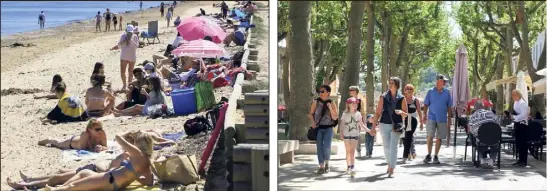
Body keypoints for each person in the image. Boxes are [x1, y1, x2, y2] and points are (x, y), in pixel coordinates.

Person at [44, 132, 156, 190]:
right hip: (114, 182)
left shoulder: (137, 153)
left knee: (72, 187)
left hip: (109, 179)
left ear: (139, 144)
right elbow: (149, 181)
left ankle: (57, 189)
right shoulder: (147, 161)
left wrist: (126, 133)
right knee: (83, 173)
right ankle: (59, 188)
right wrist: (133, 177)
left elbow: (118, 137)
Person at [372, 77, 408, 177]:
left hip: (397, 124)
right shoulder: (383, 97)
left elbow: (406, 114)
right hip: (384, 123)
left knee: (394, 147)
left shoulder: (402, 98)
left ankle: (392, 168)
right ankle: (389, 164)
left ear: (397, 85)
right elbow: (378, 112)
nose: (390, 85)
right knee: (387, 147)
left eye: (392, 83)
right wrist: (373, 127)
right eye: (390, 83)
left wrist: (401, 112)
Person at [422, 74, 453, 164]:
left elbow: (449, 106)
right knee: (430, 136)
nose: (445, 82)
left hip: (442, 118)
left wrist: (449, 119)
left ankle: (436, 156)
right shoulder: (430, 91)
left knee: (439, 138)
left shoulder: (447, 92)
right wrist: (424, 115)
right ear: (438, 81)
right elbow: (426, 104)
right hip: (431, 117)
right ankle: (429, 154)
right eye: (444, 81)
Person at [308, 85, 339, 174]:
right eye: (320, 91)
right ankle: (321, 166)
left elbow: (335, 117)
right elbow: (310, 114)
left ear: (328, 93)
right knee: (319, 147)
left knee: (327, 147)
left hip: (328, 128)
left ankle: (327, 164)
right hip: (318, 128)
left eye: (323, 91)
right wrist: (313, 122)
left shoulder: (332, 102)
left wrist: (330, 108)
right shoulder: (316, 102)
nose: (320, 93)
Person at [340, 97, 373, 177]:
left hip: (355, 134)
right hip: (346, 134)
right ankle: (348, 166)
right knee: (348, 151)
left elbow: (362, 125)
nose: (355, 105)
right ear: (348, 104)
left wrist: (369, 130)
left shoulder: (358, 114)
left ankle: (352, 167)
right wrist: (341, 133)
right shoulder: (345, 114)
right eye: (353, 103)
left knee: (352, 151)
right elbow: (342, 124)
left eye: (356, 103)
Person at [38, 118, 107, 152]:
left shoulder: (102, 133)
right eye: (97, 129)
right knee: (58, 143)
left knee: (58, 144)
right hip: (70, 143)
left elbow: (106, 147)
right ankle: (48, 139)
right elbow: (83, 149)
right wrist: (94, 148)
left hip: (77, 140)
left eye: (100, 128)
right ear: (89, 129)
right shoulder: (85, 135)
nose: (99, 131)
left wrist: (102, 148)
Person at [468, 101, 500, 168]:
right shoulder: (491, 113)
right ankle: (491, 161)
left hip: (481, 141)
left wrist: (475, 134)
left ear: (474, 108)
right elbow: (498, 125)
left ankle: (482, 160)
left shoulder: (472, 117)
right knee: (495, 144)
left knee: (478, 140)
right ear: (483, 107)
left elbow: (471, 130)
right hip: (493, 140)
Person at [111, 25, 139, 91]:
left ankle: (129, 85)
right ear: (126, 31)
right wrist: (125, 41)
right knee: (123, 72)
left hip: (131, 56)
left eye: (131, 32)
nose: (130, 33)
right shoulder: (123, 36)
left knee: (130, 71)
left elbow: (136, 46)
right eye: (129, 32)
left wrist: (130, 40)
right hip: (125, 56)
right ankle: (124, 85)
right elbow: (120, 45)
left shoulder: (135, 36)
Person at [402, 84, 423, 163]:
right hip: (404, 120)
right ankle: (409, 153)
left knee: (409, 136)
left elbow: (419, 112)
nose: (409, 90)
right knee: (405, 138)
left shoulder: (416, 100)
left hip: (413, 120)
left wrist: (421, 122)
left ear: (413, 90)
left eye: (411, 89)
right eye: (407, 89)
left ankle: (406, 155)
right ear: (405, 91)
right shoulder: (402, 100)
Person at [511, 89, 530, 167]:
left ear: (517, 95)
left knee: (523, 143)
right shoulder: (516, 102)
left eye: (513, 95)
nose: (512, 97)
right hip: (517, 124)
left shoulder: (523, 103)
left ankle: (523, 160)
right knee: (518, 143)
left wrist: (515, 117)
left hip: (522, 124)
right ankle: (520, 159)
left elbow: (523, 114)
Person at [348, 86, 365, 157]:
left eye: (352, 90)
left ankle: (358, 151)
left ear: (356, 91)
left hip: (357, 120)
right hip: (349, 120)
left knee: (357, 136)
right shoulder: (348, 100)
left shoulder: (360, 100)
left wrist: (363, 121)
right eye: (350, 90)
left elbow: (362, 111)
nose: (350, 91)